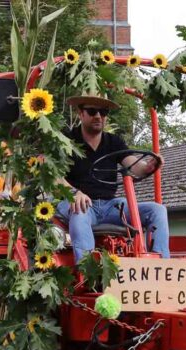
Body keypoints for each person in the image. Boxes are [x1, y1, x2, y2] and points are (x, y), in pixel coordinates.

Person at [56, 92, 169, 261]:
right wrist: (74, 193)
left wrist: (148, 166)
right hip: (80, 203)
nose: (98, 116)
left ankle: (159, 265)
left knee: (157, 210)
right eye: (92, 111)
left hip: (111, 206)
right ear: (81, 113)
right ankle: (88, 272)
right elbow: (54, 175)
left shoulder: (113, 142)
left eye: (103, 112)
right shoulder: (67, 141)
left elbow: (135, 167)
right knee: (79, 211)